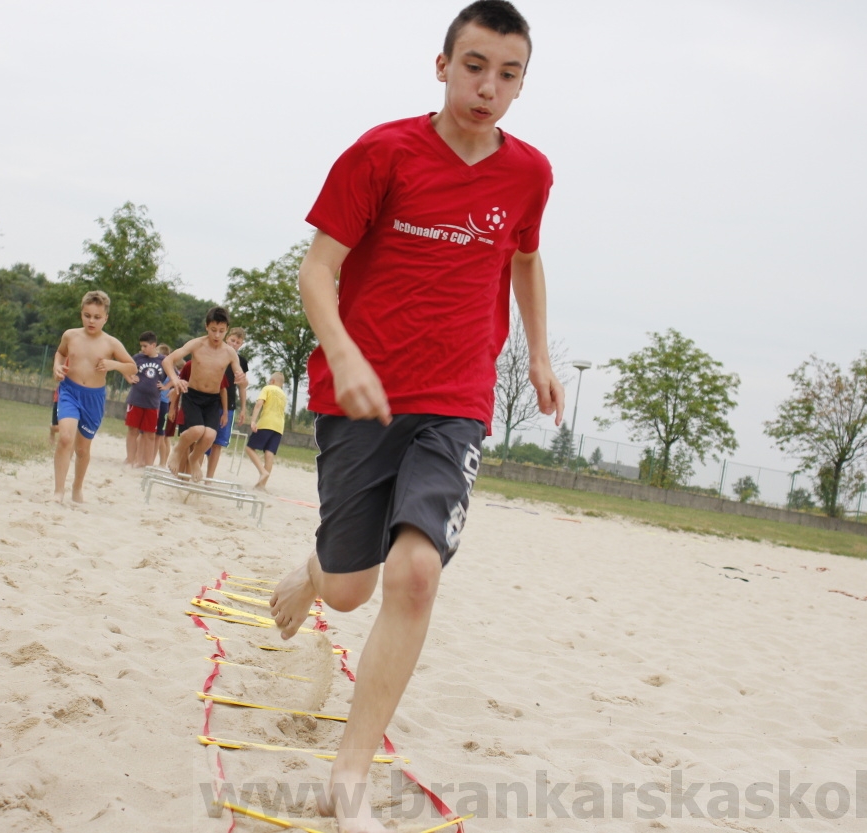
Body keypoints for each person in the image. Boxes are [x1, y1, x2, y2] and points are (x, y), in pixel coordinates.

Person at [267, 3, 564, 829]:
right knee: (354, 589)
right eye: (475, 66)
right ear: (441, 66)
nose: (489, 87)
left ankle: (349, 775)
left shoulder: (529, 173)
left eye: (508, 74)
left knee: (416, 572)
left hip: (455, 401)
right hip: (359, 393)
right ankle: (318, 571)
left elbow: (528, 260)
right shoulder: (382, 152)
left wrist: (537, 354)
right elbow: (317, 270)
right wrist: (349, 355)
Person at [51, 291, 139, 503]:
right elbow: (60, 352)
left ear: (106, 318)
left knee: (82, 449)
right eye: (87, 315)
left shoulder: (111, 343)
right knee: (64, 438)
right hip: (69, 391)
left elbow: (132, 366)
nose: (91, 321)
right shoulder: (70, 335)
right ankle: (58, 491)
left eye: (97, 317)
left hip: (93, 398)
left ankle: (77, 487)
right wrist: (56, 366)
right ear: (81, 314)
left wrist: (113, 364)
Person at [161, 307, 245, 481]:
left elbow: (241, 378)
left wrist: (241, 378)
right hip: (193, 395)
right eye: (213, 330)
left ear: (227, 330)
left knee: (210, 435)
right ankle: (177, 450)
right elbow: (168, 361)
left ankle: (194, 459)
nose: (217, 335)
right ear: (207, 327)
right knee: (197, 430)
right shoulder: (197, 344)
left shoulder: (229, 352)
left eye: (221, 331)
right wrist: (175, 380)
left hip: (212, 399)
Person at [204, 327, 249, 480]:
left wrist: (243, 408)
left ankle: (209, 477)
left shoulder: (241, 361)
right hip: (210, 400)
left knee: (218, 443)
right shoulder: (216, 353)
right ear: (226, 338)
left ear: (241, 345)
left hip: (229, 405)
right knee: (204, 439)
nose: (234, 344)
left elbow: (242, 387)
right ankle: (192, 469)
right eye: (232, 340)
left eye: (238, 342)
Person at [123, 331, 165, 468]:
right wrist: (130, 378)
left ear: (153, 345)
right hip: (136, 400)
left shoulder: (163, 361)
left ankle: (148, 464)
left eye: (145, 346)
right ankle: (130, 459)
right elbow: (125, 368)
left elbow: (175, 374)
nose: (142, 349)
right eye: (141, 346)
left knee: (150, 434)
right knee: (132, 431)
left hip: (153, 403)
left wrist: (166, 386)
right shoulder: (138, 358)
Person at [244, 372, 288, 491]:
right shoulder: (283, 395)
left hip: (267, 423)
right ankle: (262, 485)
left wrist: (253, 421)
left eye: (269, 380)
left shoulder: (267, 388)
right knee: (269, 454)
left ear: (272, 381)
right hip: (279, 427)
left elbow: (259, 404)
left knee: (249, 448)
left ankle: (263, 472)